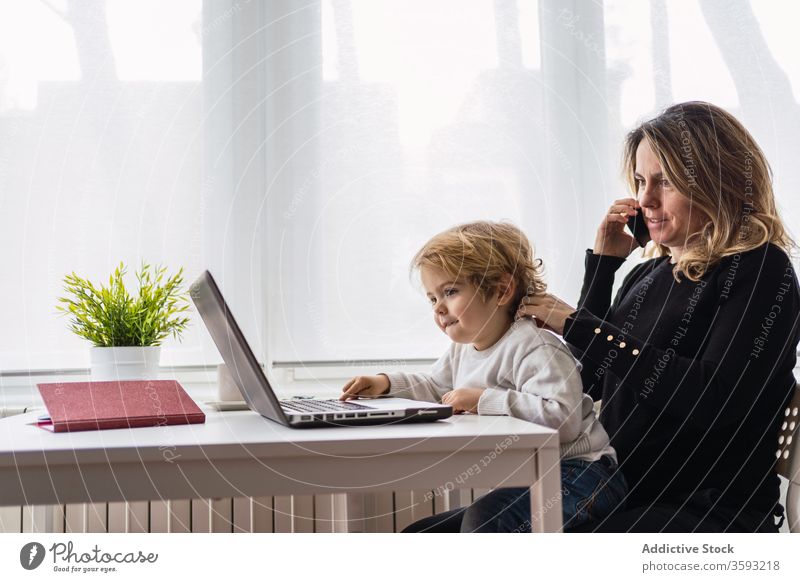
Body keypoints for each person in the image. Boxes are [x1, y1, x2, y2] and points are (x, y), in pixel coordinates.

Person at [518, 101, 800, 532]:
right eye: (639, 180)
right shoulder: (647, 274)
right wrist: (603, 269)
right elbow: (585, 381)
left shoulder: (761, 269)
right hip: (617, 492)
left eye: (664, 181)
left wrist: (584, 325)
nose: (644, 199)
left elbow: (713, 397)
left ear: (716, 181)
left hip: (705, 514)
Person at [339, 220, 627, 531]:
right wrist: (385, 385)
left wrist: (484, 400)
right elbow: (437, 387)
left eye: (450, 291)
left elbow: (563, 420)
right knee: (418, 533)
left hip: (584, 475)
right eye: (432, 298)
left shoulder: (535, 345)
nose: (438, 308)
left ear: (502, 290)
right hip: (537, 475)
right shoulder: (465, 348)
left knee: (485, 522)